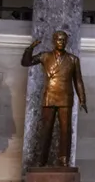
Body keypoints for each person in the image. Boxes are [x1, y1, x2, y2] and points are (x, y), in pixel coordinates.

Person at [22, 30, 87, 168]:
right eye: (58, 39)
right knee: (46, 129)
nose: (61, 42)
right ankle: (42, 159)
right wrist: (30, 49)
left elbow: (78, 81)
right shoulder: (45, 56)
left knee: (65, 130)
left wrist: (82, 99)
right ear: (54, 41)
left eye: (63, 40)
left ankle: (64, 159)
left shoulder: (73, 59)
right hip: (50, 96)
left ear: (66, 42)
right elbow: (26, 62)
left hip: (65, 97)